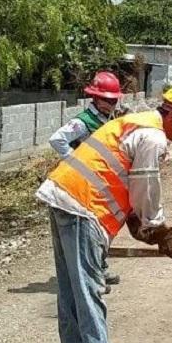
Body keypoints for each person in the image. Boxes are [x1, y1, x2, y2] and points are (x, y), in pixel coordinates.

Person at [34, 84, 172, 343]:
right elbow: (146, 188)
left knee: (72, 288)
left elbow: (122, 177)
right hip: (82, 206)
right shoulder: (153, 137)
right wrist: (159, 230)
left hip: (66, 196)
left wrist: (134, 220)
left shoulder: (136, 124)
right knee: (88, 289)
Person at [48, 71, 126, 288]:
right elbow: (57, 139)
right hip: (85, 186)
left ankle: (100, 268)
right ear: (95, 98)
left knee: (104, 228)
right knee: (91, 230)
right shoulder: (83, 121)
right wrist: (75, 162)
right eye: (107, 100)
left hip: (102, 182)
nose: (110, 104)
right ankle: (93, 277)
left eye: (113, 100)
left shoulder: (107, 119)